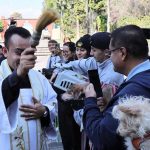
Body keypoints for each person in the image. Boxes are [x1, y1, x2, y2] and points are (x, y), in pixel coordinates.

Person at [83, 25, 150, 150]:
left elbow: (102, 138)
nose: (109, 56)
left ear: (123, 53)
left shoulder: (133, 91)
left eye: (111, 52)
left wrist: (90, 101)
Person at [0, 27, 57, 150]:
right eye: (19, 52)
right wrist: (19, 73)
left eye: (29, 53)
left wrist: (44, 111)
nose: (25, 58)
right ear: (5, 51)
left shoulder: (39, 78)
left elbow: (53, 102)